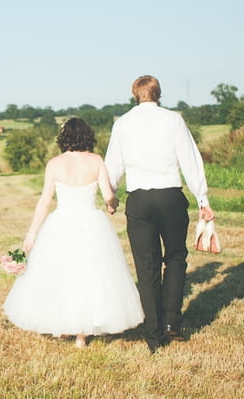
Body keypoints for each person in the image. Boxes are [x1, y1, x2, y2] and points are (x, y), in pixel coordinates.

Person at [3, 118, 144, 348]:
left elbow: (44, 202)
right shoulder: (96, 161)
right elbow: (108, 195)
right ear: (87, 136)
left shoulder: (55, 164)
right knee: (89, 274)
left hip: (61, 223)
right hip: (91, 222)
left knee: (62, 273)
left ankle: (65, 326)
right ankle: (80, 335)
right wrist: (112, 204)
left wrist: (31, 233)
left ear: (64, 137)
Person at [105, 75, 215, 353]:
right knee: (176, 257)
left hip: (139, 199)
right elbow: (190, 160)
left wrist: (111, 196)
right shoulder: (173, 120)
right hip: (170, 196)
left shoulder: (122, 123)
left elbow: (112, 166)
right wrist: (202, 198)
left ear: (135, 94)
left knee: (146, 265)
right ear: (158, 93)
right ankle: (172, 323)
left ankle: (153, 334)